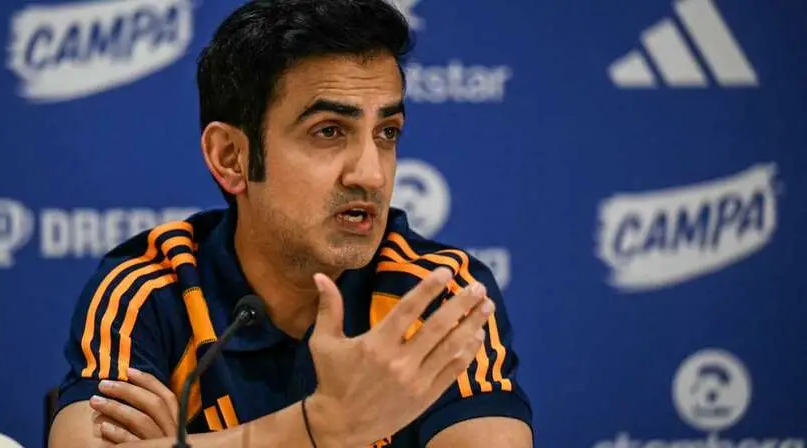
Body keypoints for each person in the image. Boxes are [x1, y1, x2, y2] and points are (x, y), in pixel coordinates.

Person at [47, 0, 534, 446]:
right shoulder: (155, 288)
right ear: (231, 157)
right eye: (329, 131)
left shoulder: (436, 294)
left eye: (387, 133)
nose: (371, 174)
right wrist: (322, 428)